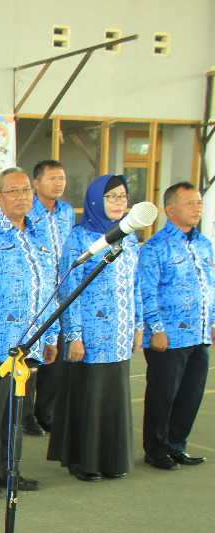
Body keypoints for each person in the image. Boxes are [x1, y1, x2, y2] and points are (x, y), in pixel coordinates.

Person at [0, 167, 58, 499]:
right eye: (13, 191)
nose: (22, 197)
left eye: (26, 190)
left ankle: (9, 471)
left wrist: (50, 336)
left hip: (28, 342)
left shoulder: (39, 236)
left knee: (16, 412)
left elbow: (50, 288)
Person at [47, 174, 142, 482]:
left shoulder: (129, 237)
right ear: (95, 200)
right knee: (89, 397)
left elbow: (135, 284)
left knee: (114, 398)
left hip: (120, 334)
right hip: (89, 336)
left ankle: (112, 459)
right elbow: (68, 289)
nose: (119, 202)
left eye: (123, 197)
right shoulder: (80, 238)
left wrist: (138, 326)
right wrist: (74, 335)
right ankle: (83, 460)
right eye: (111, 196)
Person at [138, 182, 213, 470]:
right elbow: (146, 291)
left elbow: (210, 286)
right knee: (162, 396)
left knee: (190, 395)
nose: (197, 208)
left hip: (199, 333)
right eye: (190, 203)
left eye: (199, 202)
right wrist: (156, 329)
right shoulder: (155, 247)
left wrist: (212, 320)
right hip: (168, 337)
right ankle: (156, 450)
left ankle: (177, 445)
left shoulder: (204, 244)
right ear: (170, 209)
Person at [29, 159, 77, 435]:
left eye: (62, 178)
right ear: (37, 183)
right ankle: (26, 416)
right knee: (32, 355)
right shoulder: (28, 210)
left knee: (54, 356)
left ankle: (45, 412)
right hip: (38, 291)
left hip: (62, 290)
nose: (58, 183)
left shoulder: (67, 212)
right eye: (52, 178)